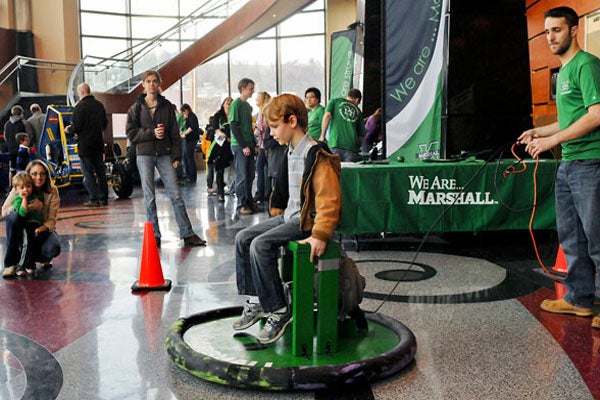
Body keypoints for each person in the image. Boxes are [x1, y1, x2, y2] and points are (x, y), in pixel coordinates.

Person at [233, 93, 341, 344]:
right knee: (243, 238)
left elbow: (329, 198)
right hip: (288, 217)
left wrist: (320, 235)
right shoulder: (290, 150)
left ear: (292, 121)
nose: (270, 134)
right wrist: (275, 208)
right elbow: (283, 188)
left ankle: (280, 310)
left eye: (274, 127)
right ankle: (257, 300)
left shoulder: (316, 153)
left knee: (261, 245)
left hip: (306, 222)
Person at [518, 6, 600, 328]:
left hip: (590, 163)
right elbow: (571, 120)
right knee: (572, 237)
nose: (550, 37)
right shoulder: (564, 71)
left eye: (557, 30)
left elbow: (595, 115)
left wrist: (552, 142)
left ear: (574, 30)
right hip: (568, 164)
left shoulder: (587, 65)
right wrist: (541, 131)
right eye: (547, 31)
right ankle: (579, 300)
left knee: (596, 236)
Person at [125, 70, 206, 249]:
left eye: (155, 81)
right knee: (149, 197)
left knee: (176, 195)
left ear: (159, 84)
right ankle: (155, 235)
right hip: (144, 154)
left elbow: (174, 134)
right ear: (143, 85)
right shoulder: (136, 108)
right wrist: (151, 133)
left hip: (163, 154)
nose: (152, 84)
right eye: (148, 81)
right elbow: (130, 133)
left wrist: (176, 156)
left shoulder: (167, 106)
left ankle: (187, 234)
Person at [2, 160, 62, 278]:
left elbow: (51, 219)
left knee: (53, 248)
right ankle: (11, 263)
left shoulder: (52, 190)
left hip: (40, 227)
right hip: (22, 228)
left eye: (42, 174)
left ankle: (37, 258)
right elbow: (5, 211)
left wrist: (41, 229)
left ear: (46, 175)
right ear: (28, 174)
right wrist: (28, 207)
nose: (38, 177)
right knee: (13, 217)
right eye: (34, 174)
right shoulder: (20, 187)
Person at [72, 82, 109, 207]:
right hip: (98, 144)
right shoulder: (99, 105)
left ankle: (94, 199)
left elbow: (76, 127)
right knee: (101, 172)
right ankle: (104, 198)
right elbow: (104, 123)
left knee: (88, 173)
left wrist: (68, 130)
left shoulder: (79, 107)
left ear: (82, 92)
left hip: (85, 146)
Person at [230, 78, 262, 215]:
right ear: (242, 89)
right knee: (242, 176)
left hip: (249, 144)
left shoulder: (248, 107)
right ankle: (241, 204)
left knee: (250, 175)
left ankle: (249, 202)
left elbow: (248, 127)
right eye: (250, 88)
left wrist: (253, 145)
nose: (252, 91)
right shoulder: (236, 104)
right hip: (239, 146)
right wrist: (243, 146)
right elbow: (234, 125)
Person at [8, 172, 44, 276]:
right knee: (27, 243)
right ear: (16, 189)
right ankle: (21, 265)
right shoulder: (18, 199)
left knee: (33, 244)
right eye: (22, 187)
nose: (25, 190)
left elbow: (41, 206)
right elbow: (22, 213)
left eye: (28, 186)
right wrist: (24, 199)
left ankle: (30, 264)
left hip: (36, 225)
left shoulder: (35, 196)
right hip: (26, 224)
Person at [320, 88, 366, 162]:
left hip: (335, 144)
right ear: (357, 100)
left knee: (335, 172)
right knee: (350, 173)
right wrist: (357, 148)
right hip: (352, 149)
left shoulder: (335, 101)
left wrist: (322, 136)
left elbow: (327, 115)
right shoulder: (358, 111)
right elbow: (361, 136)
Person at [209, 97, 234, 202]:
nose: (228, 103)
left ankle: (232, 188)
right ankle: (220, 192)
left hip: (231, 145)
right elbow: (215, 128)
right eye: (227, 101)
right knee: (220, 169)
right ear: (223, 103)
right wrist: (224, 136)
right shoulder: (218, 116)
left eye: (230, 102)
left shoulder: (234, 116)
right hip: (220, 145)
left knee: (233, 169)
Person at [4, 105, 34, 172]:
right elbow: (30, 135)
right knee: (24, 169)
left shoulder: (7, 124)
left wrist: (10, 145)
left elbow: (5, 137)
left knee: (12, 169)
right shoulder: (24, 123)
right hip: (22, 150)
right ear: (21, 112)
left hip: (11, 150)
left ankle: (12, 182)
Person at [253, 91, 271, 204]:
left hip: (265, 145)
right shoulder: (260, 113)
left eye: (258, 98)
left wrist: (255, 127)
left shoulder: (266, 112)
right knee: (263, 169)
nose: (256, 100)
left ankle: (262, 193)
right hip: (262, 145)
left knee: (261, 169)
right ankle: (264, 193)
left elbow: (265, 127)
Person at [180, 103, 202, 184]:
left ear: (187, 110)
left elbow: (192, 127)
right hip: (189, 139)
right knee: (186, 157)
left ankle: (191, 176)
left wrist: (184, 134)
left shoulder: (192, 116)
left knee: (189, 157)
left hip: (191, 139)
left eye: (184, 111)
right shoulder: (188, 117)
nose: (183, 113)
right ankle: (189, 175)